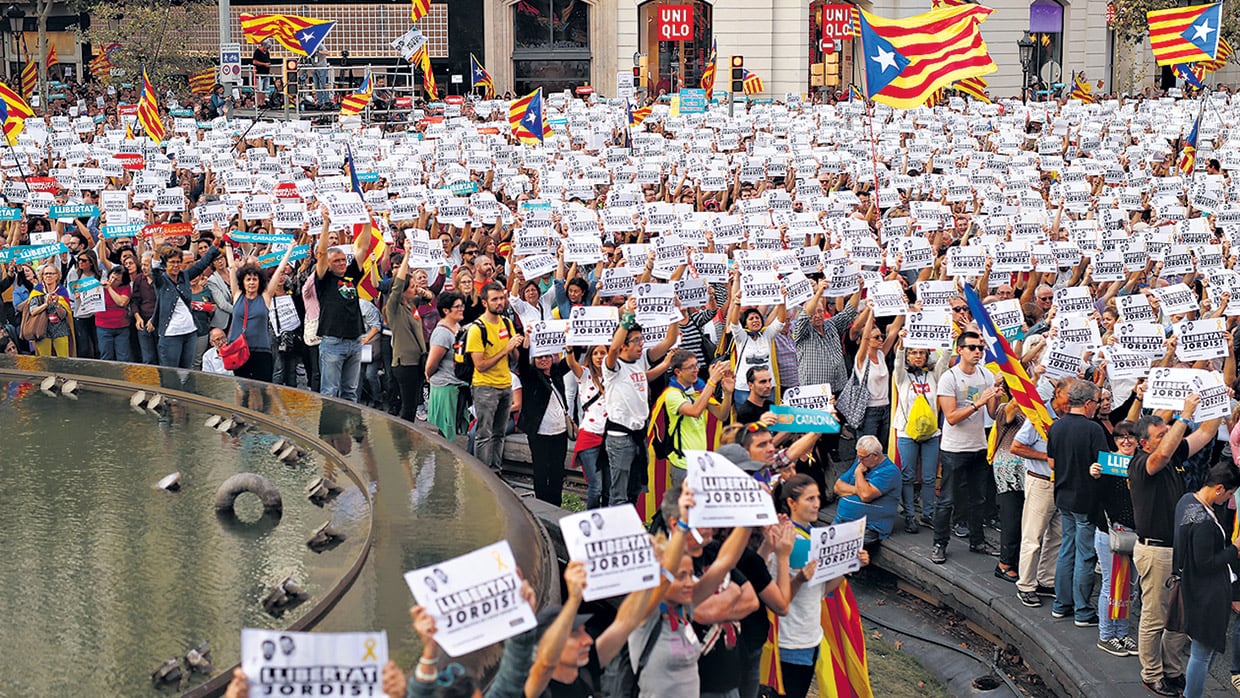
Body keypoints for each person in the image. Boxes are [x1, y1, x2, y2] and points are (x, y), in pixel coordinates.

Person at [1130, 398, 1221, 697]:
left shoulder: (1172, 456)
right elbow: (1165, 451)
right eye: (1160, 434)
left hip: (1178, 550)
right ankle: (1151, 673)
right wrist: (1184, 414)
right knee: (1155, 616)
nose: (1169, 436)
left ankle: (1172, 670)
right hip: (1156, 551)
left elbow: (1206, 433)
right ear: (1144, 443)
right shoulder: (1144, 463)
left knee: (1178, 617)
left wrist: (1216, 401)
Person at [774, 474, 870, 698]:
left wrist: (849, 565)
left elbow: (822, 590)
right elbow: (779, 599)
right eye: (809, 499)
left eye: (817, 497)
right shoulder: (783, 541)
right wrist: (799, 579)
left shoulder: (813, 537)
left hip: (811, 638)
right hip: (788, 642)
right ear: (791, 503)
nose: (817, 503)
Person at [930, 331, 1004, 564]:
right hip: (954, 448)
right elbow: (951, 417)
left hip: (978, 446)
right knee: (948, 500)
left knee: (978, 498)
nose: (977, 352)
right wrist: (978, 403)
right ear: (959, 349)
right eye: (972, 348)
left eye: (980, 348)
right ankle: (939, 544)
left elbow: (991, 413)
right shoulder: (949, 378)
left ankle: (977, 540)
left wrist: (996, 397)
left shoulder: (985, 374)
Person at [603, 298, 679, 505]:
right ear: (624, 345)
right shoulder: (612, 365)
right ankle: (618, 534)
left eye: (641, 339)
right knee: (619, 494)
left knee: (635, 490)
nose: (641, 344)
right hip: (620, 437)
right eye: (636, 340)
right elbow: (612, 349)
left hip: (640, 434)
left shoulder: (640, 360)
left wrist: (674, 313)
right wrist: (627, 316)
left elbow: (669, 342)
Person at [1174, 463, 1240, 698]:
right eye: (1231, 494)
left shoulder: (1188, 502)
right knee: (1202, 654)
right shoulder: (1204, 521)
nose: (1230, 499)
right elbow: (1206, 563)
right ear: (1220, 488)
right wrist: (1235, 548)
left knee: (1203, 651)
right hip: (1207, 594)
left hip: (1195, 587)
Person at [1046, 380, 1108, 627]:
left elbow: (1051, 460)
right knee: (1085, 555)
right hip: (1085, 499)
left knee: (1066, 549)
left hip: (1063, 495)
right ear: (1089, 403)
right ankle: (1082, 610)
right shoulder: (1093, 430)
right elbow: (1103, 465)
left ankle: (1061, 604)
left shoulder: (1057, 426)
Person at [891, 328, 950, 534]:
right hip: (906, 433)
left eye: (922, 353)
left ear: (927, 355)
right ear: (908, 355)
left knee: (928, 477)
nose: (918, 356)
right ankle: (909, 515)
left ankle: (927, 514)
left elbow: (944, 361)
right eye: (913, 352)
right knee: (907, 476)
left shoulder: (933, 375)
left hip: (931, 433)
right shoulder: (902, 377)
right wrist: (900, 343)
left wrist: (947, 339)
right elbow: (898, 364)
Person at [1090, 420, 1139, 658]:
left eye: (1130, 436)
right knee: (1112, 584)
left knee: (1129, 587)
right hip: (1112, 533)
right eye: (1121, 437)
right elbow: (1096, 499)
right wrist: (1095, 477)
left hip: (1137, 534)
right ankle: (1106, 635)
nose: (1126, 441)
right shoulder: (1107, 464)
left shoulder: (1142, 463)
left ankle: (1122, 634)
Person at [314, 210, 373, 401]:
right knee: (330, 392)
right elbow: (322, 253)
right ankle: (329, 430)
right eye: (336, 261)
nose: (341, 263)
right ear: (328, 264)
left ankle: (348, 429)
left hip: (355, 340)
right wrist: (326, 223)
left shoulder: (350, 275)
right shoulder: (323, 279)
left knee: (350, 393)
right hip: (333, 342)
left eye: (343, 260)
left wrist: (366, 220)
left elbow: (363, 248)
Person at [467, 282, 523, 473]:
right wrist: (505, 349)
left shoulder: (507, 323)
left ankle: (496, 471)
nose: (500, 302)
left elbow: (514, 358)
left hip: (505, 385)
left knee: (499, 434)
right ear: (485, 302)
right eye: (495, 299)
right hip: (485, 387)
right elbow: (480, 366)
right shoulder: (477, 329)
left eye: (502, 298)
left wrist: (515, 348)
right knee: (484, 434)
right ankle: (484, 476)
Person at [661, 350, 734, 489]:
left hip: (701, 462)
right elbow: (695, 411)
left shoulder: (697, 391)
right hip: (683, 465)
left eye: (696, 365)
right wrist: (712, 381)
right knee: (685, 509)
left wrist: (728, 393)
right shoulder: (672, 395)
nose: (696, 370)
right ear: (678, 372)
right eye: (691, 367)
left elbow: (722, 415)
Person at [222, 244, 293, 382]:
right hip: (239, 349)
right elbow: (231, 267)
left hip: (261, 350)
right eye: (248, 279)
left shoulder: (265, 297)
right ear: (242, 281)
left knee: (263, 389)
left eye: (255, 279)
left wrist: (290, 249)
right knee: (242, 388)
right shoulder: (237, 295)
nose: (251, 283)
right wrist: (228, 244)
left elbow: (278, 271)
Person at [516, 342, 572, 506]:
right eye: (540, 357)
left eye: (547, 356)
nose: (544, 360)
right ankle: (542, 506)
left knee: (557, 471)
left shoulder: (556, 372)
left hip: (560, 431)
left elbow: (569, 361)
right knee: (541, 471)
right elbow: (523, 365)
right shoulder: (530, 376)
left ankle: (556, 506)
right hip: (540, 433)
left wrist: (569, 343)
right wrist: (525, 345)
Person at [150, 240, 221, 369]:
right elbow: (154, 271)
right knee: (171, 373)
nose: (175, 265)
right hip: (171, 334)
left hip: (190, 332)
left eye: (178, 262)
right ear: (166, 264)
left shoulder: (184, 276)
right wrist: (157, 250)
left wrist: (216, 242)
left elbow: (202, 264)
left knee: (186, 371)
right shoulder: (161, 281)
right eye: (172, 262)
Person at [833, 435, 901, 546]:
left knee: (840, 552)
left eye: (862, 457)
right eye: (858, 456)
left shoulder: (890, 471)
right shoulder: (860, 463)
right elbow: (837, 487)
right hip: (843, 521)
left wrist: (858, 473)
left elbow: (865, 496)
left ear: (874, 455)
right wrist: (858, 489)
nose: (859, 460)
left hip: (869, 527)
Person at [565, 345, 609, 509]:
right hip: (589, 435)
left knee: (609, 488)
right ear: (590, 356)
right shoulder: (584, 374)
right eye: (595, 353)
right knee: (596, 487)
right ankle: (592, 521)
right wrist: (569, 350)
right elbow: (571, 364)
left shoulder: (614, 375)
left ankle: (606, 524)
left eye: (602, 353)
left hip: (610, 436)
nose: (599, 356)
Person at [388, 258, 430, 422]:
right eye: (412, 287)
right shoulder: (394, 308)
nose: (415, 289)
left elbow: (430, 296)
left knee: (412, 405)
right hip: (404, 364)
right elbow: (397, 286)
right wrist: (406, 255)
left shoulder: (411, 305)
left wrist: (424, 293)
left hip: (417, 361)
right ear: (403, 291)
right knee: (408, 407)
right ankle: (403, 441)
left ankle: (407, 439)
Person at [424, 291, 466, 439]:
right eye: (457, 307)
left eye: (462, 306)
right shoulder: (441, 333)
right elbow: (432, 364)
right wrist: (428, 375)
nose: (461, 309)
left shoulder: (458, 327)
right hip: (445, 386)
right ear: (446, 310)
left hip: (458, 385)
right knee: (444, 433)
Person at [23, 264, 73, 357]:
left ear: (57, 275)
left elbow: (64, 315)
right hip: (42, 330)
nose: (48, 276)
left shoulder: (62, 291)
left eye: (51, 273)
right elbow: (33, 311)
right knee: (44, 361)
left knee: (63, 360)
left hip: (60, 330)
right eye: (46, 274)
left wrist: (57, 305)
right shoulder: (37, 291)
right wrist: (46, 304)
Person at [95, 265, 132, 362]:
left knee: (123, 356)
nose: (113, 280)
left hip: (121, 326)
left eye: (117, 280)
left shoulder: (125, 288)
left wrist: (109, 289)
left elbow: (122, 302)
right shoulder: (100, 286)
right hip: (103, 326)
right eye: (112, 277)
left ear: (122, 281)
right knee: (106, 355)